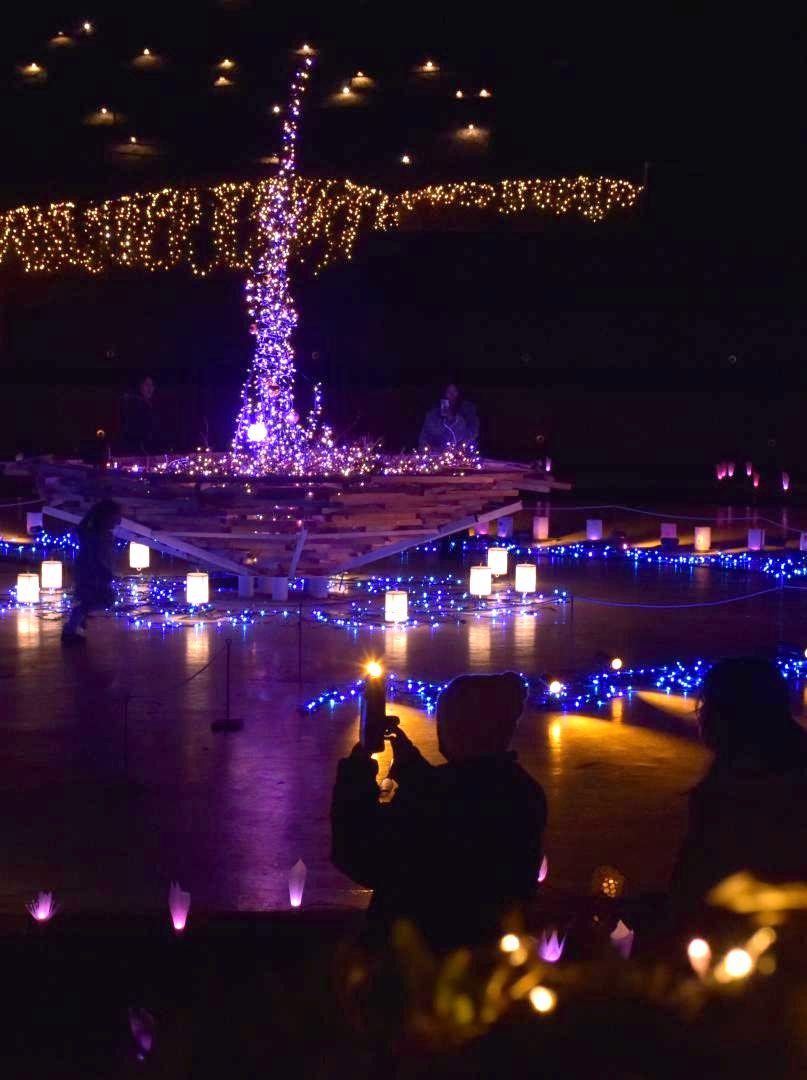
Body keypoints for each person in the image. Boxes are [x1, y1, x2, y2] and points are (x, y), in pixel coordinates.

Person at [331, 672, 547, 948]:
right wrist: (414, 770)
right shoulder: (524, 792)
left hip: (419, 960)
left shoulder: (433, 796)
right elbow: (466, 798)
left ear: (460, 728)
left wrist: (358, 767)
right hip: (490, 952)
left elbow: (359, 853)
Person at [669, 657, 807, 913]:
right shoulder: (794, 759)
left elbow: (692, 890)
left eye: (707, 705)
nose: (700, 715)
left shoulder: (725, 793)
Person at [61, 499, 122, 643]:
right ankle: (71, 629)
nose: (117, 522)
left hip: (93, 571)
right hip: (92, 572)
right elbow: (95, 556)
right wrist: (104, 571)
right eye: (115, 518)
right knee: (98, 600)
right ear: (105, 518)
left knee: (93, 600)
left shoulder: (97, 534)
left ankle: (75, 625)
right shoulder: (94, 536)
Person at [418, 383, 479, 452]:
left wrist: (452, 419)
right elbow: (426, 433)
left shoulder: (468, 409)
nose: (452, 395)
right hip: (438, 453)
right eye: (448, 392)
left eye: (454, 391)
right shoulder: (434, 412)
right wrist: (425, 446)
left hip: (464, 452)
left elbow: (473, 430)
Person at [121, 375, 159, 454]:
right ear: (140, 386)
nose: (150, 389)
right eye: (147, 385)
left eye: (152, 386)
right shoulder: (133, 404)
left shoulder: (152, 405)